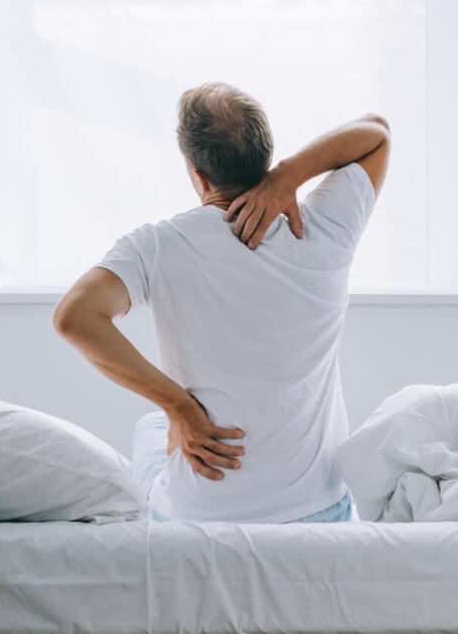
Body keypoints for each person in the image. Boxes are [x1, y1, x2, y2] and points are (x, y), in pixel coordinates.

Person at [53, 82, 390, 523]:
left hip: (199, 517)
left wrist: (180, 409)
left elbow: (75, 318)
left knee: (151, 427)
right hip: (319, 510)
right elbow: (376, 132)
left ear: (199, 176)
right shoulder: (326, 227)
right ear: (265, 159)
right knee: (155, 427)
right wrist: (289, 176)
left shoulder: (159, 245)